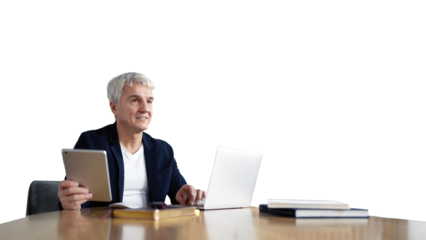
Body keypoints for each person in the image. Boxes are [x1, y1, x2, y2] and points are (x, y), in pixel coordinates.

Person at [58, 71, 206, 210]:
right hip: (106, 230)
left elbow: (179, 191)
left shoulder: (163, 149)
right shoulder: (91, 142)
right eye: (135, 100)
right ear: (113, 107)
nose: (145, 108)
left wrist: (187, 194)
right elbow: (77, 197)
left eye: (149, 101)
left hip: (153, 231)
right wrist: (71, 202)